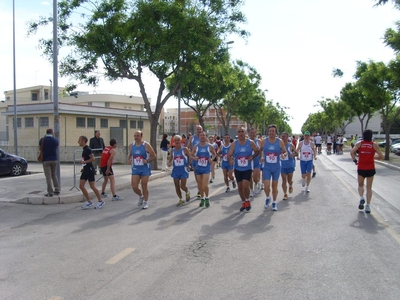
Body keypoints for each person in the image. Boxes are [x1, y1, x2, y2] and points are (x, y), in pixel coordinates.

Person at [350, 129, 384, 213]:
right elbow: (381, 156)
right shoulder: (374, 145)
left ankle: (361, 198)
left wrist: (355, 160)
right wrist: (372, 157)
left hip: (361, 167)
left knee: (360, 185)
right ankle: (368, 206)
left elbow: (352, 153)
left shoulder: (359, 144)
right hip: (370, 168)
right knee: (369, 187)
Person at [227, 127, 260, 212]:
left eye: (242, 131)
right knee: (240, 187)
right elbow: (229, 154)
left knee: (246, 185)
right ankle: (243, 202)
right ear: (237, 133)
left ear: (245, 133)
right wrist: (230, 160)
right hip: (237, 168)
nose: (241, 133)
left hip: (247, 167)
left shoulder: (250, 143)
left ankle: (248, 200)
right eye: (239, 132)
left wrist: (252, 156)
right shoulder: (234, 144)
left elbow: (257, 151)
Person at [259, 124, 287, 211]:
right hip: (267, 166)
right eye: (270, 131)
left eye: (273, 131)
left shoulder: (280, 141)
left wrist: (283, 155)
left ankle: (274, 202)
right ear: (268, 132)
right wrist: (262, 157)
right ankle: (268, 197)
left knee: (274, 186)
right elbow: (261, 151)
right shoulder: (264, 141)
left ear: (276, 132)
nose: (271, 132)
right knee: (266, 185)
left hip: (276, 167)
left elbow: (285, 152)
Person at [128, 131, 157, 209]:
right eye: (135, 136)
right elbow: (130, 154)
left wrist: (147, 161)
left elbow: (154, 155)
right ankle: (141, 196)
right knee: (134, 186)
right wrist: (129, 159)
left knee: (144, 185)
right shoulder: (131, 145)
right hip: (135, 168)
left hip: (144, 168)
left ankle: (146, 202)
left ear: (141, 136)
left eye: (137, 136)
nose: (136, 137)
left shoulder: (146, 145)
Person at [190, 131, 217, 208]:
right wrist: (194, 158)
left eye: (203, 135)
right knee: (200, 185)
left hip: (206, 168)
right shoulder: (196, 146)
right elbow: (191, 155)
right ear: (199, 137)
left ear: (206, 137)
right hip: (198, 168)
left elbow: (214, 154)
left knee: (205, 185)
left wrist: (212, 159)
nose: (202, 136)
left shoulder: (209, 146)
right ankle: (202, 198)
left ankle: (207, 198)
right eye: (201, 135)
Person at [78, 136, 104, 209]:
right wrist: (83, 167)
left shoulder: (88, 149)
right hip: (85, 169)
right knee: (81, 186)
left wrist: (84, 162)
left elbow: (93, 159)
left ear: (83, 141)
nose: (78, 142)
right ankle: (89, 201)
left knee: (92, 186)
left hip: (90, 170)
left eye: (79, 140)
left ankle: (100, 201)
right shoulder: (84, 150)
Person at [168, 135, 191, 206]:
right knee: (177, 186)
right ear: (174, 142)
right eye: (175, 140)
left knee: (182, 186)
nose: (177, 142)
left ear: (181, 141)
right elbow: (170, 159)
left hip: (183, 169)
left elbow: (190, 156)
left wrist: (189, 164)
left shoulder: (185, 149)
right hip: (176, 170)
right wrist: (169, 163)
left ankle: (187, 192)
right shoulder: (173, 150)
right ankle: (180, 199)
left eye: (178, 140)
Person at [39, 128, 60, 197]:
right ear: (51, 133)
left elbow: (40, 148)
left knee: (48, 176)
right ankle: (57, 189)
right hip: (54, 159)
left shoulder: (42, 140)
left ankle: (50, 192)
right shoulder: (55, 140)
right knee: (54, 175)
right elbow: (56, 147)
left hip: (46, 160)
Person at [187, 125, 203, 198]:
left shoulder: (204, 137)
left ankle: (201, 189)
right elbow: (187, 147)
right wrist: (189, 155)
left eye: (200, 129)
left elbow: (209, 146)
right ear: (195, 130)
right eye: (197, 129)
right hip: (195, 160)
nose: (199, 130)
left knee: (202, 176)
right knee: (197, 177)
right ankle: (199, 190)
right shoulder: (192, 138)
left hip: (203, 160)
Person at [280, 132, 296, 200]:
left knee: (289, 180)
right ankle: (285, 194)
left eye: (284, 136)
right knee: (284, 180)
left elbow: (297, 153)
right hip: (282, 166)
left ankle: (290, 184)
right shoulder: (279, 146)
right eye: (282, 136)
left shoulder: (291, 146)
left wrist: (293, 154)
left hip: (290, 165)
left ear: (287, 137)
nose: (283, 138)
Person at [249, 128, 261, 197]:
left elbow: (261, 150)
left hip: (256, 161)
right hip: (249, 162)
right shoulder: (247, 142)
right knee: (250, 177)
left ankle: (256, 184)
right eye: (251, 133)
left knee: (255, 177)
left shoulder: (259, 141)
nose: (252, 134)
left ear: (255, 134)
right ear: (249, 134)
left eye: (253, 133)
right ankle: (251, 190)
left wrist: (262, 157)